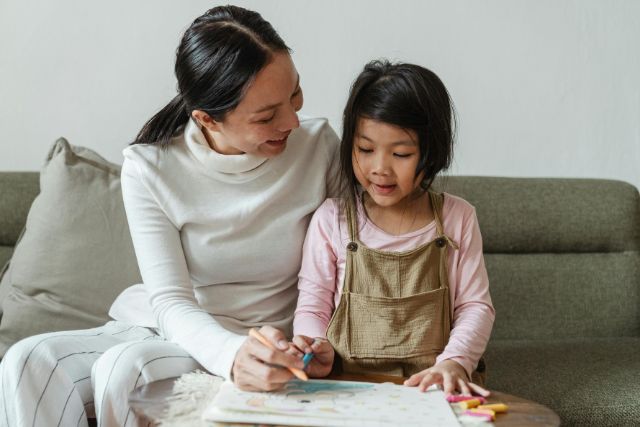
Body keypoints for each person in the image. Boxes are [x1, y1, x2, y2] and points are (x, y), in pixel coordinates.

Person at [0, 5, 339, 427]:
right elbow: (171, 301)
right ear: (206, 118)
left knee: (127, 370)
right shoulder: (149, 167)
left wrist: (314, 339)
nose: (292, 119)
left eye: (295, 94)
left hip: (260, 337)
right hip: (168, 327)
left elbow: (348, 259)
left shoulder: (319, 146)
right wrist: (230, 355)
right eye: (267, 116)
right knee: (26, 360)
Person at [292, 60, 495, 396]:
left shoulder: (457, 218)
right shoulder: (332, 220)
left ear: (431, 153)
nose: (379, 168)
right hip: (348, 388)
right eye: (365, 149)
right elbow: (312, 307)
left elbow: (475, 306)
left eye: (401, 153)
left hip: (432, 389)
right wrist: (315, 346)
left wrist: (456, 361)